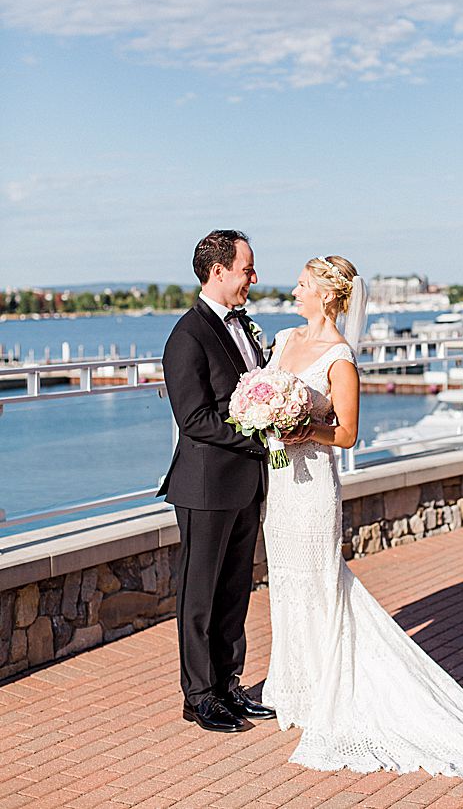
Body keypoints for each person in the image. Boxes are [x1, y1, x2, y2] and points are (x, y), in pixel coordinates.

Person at [260, 255, 463, 776]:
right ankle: (294, 686)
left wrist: (305, 430)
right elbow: (263, 393)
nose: (294, 292)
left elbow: (346, 434)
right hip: (279, 484)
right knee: (285, 579)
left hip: (313, 487)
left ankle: (329, 689)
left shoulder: (340, 357)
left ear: (326, 295)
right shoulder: (283, 342)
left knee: (320, 582)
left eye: (302, 285)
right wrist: (262, 414)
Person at [161, 229, 278, 732]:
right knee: (200, 595)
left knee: (236, 589)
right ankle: (199, 695)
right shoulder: (186, 336)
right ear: (218, 272)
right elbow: (195, 419)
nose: (253, 277)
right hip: (206, 487)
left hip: (244, 485)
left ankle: (229, 685)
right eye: (247, 269)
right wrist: (260, 439)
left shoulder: (245, 326)